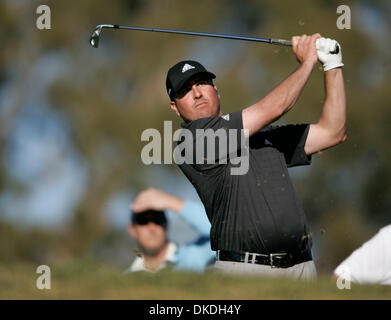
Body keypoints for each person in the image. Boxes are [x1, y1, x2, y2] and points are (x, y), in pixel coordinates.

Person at [165, 34, 346, 280]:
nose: (197, 93)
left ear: (216, 90)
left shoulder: (262, 135)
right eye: (185, 90)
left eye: (202, 83)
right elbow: (275, 108)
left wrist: (333, 65)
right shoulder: (191, 141)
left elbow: (332, 132)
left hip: (302, 268)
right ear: (175, 107)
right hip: (245, 271)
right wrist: (307, 64)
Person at [124, 188, 215, 273]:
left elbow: (224, 232)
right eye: (143, 221)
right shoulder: (125, 280)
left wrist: (172, 202)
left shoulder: (195, 255)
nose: (152, 227)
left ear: (166, 224)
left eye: (158, 219)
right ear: (132, 229)